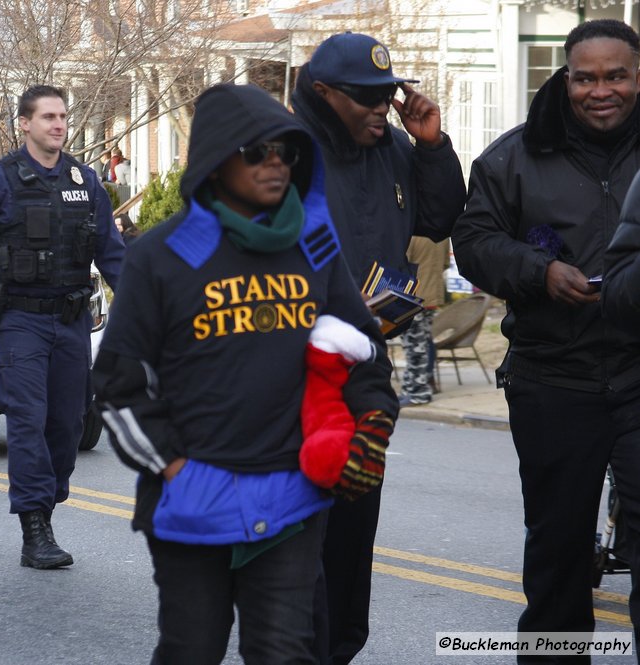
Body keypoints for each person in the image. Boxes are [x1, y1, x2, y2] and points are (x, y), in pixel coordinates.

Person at [93, 82, 397, 665]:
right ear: (216, 159)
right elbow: (117, 384)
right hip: (191, 499)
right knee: (191, 649)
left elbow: (363, 353)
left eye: (285, 150)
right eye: (256, 152)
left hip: (293, 496)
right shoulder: (162, 256)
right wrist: (174, 467)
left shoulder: (315, 246)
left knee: (284, 651)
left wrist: (372, 428)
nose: (275, 163)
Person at [453, 19, 640, 661]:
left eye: (615, 75)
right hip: (554, 381)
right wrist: (539, 272)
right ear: (565, 78)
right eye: (585, 77)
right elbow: (474, 244)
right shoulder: (513, 156)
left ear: (637, 77)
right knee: (559, 556)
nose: (600, 90)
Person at [290, 31, 466, 664]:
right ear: (322, 92)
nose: (379, 108)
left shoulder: (395, 147)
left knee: (352, 525)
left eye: (386, 95)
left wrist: (432, 144)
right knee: (299, 534)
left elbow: (440, 217)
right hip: (291, 374)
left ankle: (338, 648)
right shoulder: (281, 155)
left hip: (365, 369)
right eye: (364, 98)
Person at [0, 84, 125, 569]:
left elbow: (113, 256)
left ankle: (48, 492)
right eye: (47, 117)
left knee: (67, 423)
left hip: (70, 323)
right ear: (24, 123)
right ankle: (34, 528)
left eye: (63, 116)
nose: (58, 125)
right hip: (20, 320)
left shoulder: (86, 183)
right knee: (26, 420)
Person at [398, 237, 449, 406]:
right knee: (423, 342)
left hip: (414, 296)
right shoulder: (442, 236)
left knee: (414, 346)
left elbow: (401, 262)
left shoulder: (412, 235)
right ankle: (411, 388)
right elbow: (445, 264)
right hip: (433, 295)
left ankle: (419, 392)